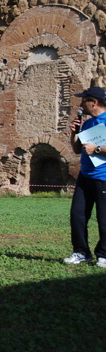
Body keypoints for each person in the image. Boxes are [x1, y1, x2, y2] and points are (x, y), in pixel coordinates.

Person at [65, 86, 106, 268]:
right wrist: (74, 132)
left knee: (104, 218)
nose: (81, 104)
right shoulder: (88, 123)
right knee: (77, 215)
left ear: (93, 102)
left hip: (103, 177)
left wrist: (97, 149)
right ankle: (81, 252)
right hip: (85, 176)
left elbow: (95, 149)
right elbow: (76, 149)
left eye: (84, 100)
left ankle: (104, 254)